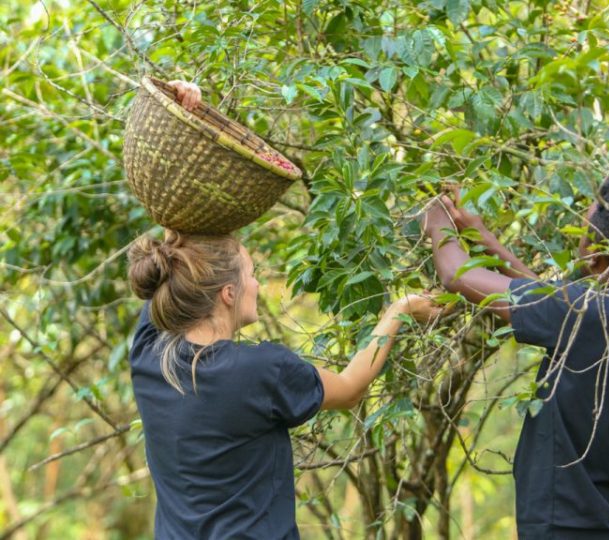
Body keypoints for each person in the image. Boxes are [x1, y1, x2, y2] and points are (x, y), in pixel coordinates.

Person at [127, 82, 439, 539]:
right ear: (228, 294)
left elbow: (173, 253)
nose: (257, 282)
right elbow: (352, 388)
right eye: (251, 273)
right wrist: (401, 310)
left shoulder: (149, 353)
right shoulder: (260, 371)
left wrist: (184, 112)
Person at [422, 175, 609, 540]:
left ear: (597, 257)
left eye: (585, 229)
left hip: (569, 529)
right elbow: (545, 298)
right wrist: (483, 238)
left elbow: (455, 275)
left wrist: (436, 220)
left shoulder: (585, 314)